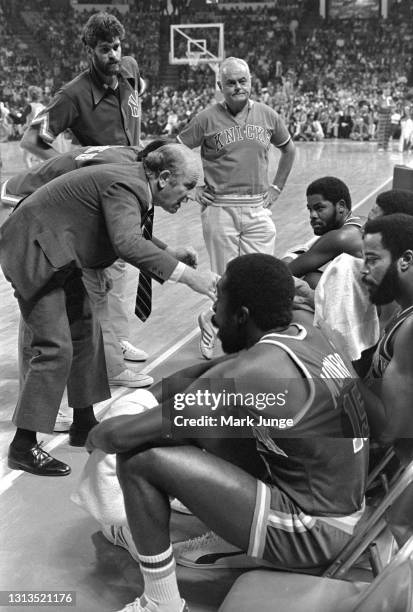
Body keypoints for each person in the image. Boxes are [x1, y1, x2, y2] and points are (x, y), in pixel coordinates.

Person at [87, 253, 369, 612]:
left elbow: (116, 438)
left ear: (242, 315)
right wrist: (146, 395)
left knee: (141, 459)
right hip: (341, 501)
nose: (212, 314)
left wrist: (98, 429)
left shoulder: (253, 372)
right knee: (212, 427)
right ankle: (230, 527)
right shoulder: (302, 333)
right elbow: (212, 370)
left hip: (314, 533)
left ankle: (161, 603)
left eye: (219, 302)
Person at [0, 144, 218, 477]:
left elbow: (128, 231)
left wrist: (169, 251)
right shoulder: (126, 184)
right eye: (188, 186)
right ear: (163, 178)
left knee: (87, 333)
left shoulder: (133, 181)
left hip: (59, 250)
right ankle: (23, 445)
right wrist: (191, 278)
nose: (189, 196)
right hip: (34, 251)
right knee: (55, 347)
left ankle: (83, 423)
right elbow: (127, 244)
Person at [1, 141, 169, 437]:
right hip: (24, 218)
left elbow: (103, 226)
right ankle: (34, 423)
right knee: (50, 338)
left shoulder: (133, 167)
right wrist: (183, 272)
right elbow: (114, 233)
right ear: (161, 174)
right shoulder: (116, 175)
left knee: (85, 327)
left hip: (57, 234)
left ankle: (83, 419)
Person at [19, 12, 148, 387]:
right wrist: (72, 166)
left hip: (131, 190)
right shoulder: (72, 94)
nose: (113, 55)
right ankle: (110, 365)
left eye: (117, 47)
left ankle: (116, 342)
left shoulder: (130, 71)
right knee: (99, 283)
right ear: (89, 50)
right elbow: (32, 140)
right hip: (98, 198)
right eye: (105, 49)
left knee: (119, 272)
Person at [178, 57, 295, 359]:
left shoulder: (267, 115)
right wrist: (192, 189)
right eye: (230, 82)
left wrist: (277, 187)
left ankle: (214, 320)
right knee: (225, 278)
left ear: (251, 81)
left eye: (242, 80)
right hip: (220, 208)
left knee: (261, 278)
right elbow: (174, 150)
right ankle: (224, 335)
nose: (238, 86)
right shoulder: (206, 118)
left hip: (257, 205)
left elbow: (288, 149)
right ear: (220, 87)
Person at [360, 213, 413, 443]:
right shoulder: (403, 307)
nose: (364, 271)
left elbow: (389, 431)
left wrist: (337, 366)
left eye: (372, 260)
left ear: (406, 259)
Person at [285, 176, 364, 288]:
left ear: (341, 206)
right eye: (310, 209)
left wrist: (289, 256)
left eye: (319, 208)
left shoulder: (339, 237)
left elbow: (285, 273)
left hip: (368, 302)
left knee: (308, 280)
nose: (312, 215)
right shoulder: (360, 221)